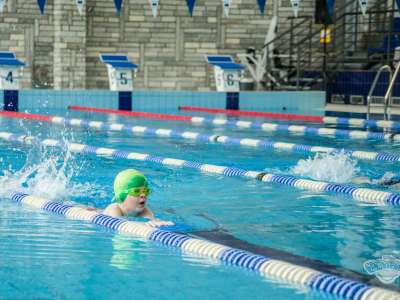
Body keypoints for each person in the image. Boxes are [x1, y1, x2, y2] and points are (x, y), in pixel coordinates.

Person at [103, 169, 174, 227]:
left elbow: (152, 223)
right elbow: (120, 225)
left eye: (146, 191)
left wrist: (158, 223)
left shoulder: (145, 211)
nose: (143, 195)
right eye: (136, 191)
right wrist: (144, 224)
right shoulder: (114, 209)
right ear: (121, 196)